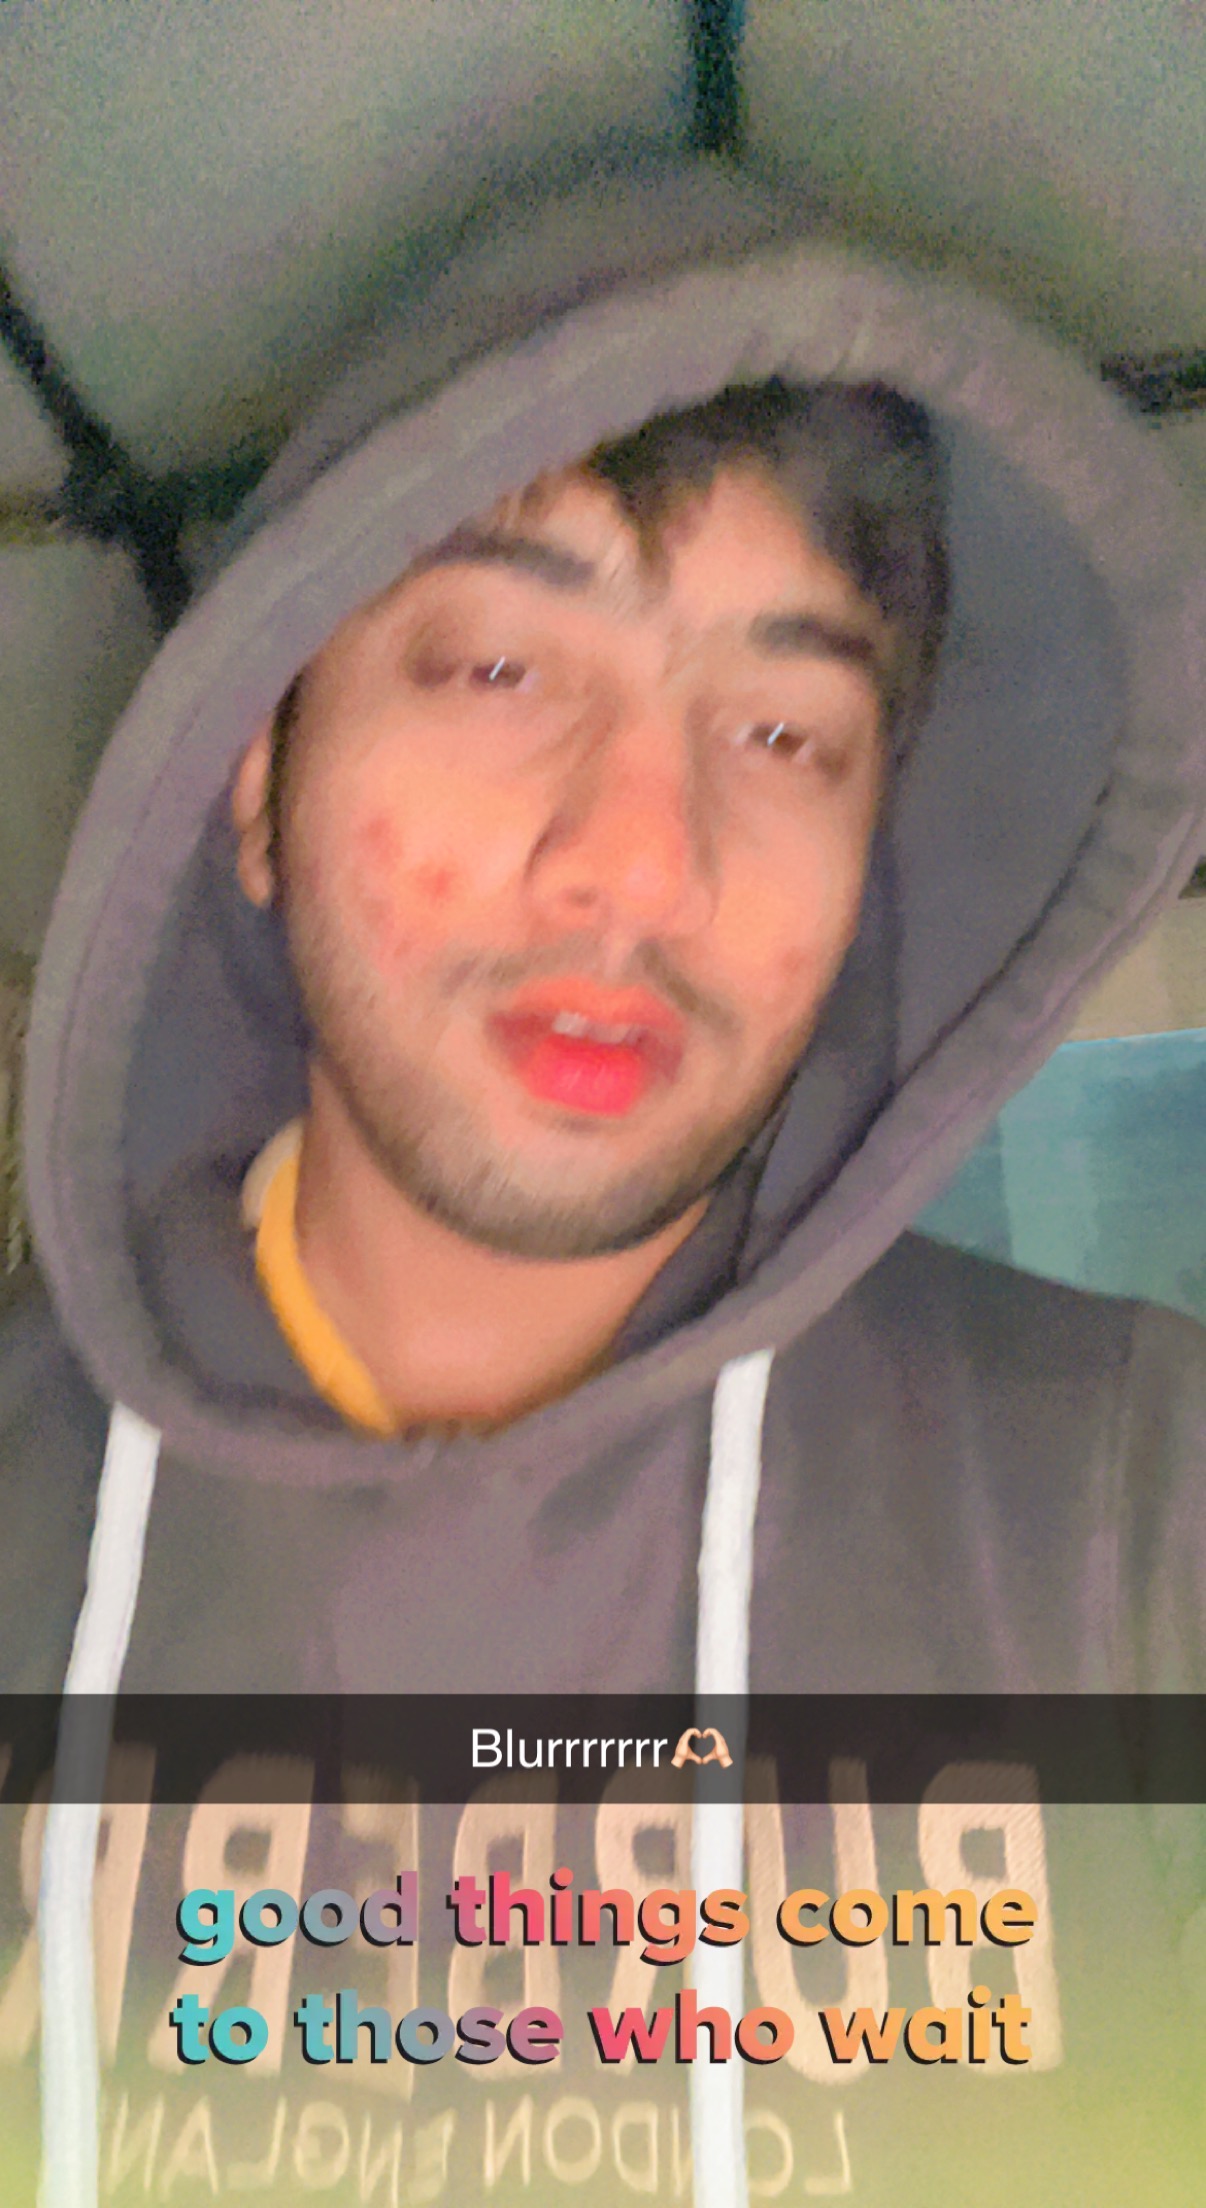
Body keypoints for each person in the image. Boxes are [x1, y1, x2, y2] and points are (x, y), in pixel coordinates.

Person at [2, 178, 1204, 2206]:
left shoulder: (1135, 1516)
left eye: (782, 729)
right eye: (497, 669)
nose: (641, 861)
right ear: (255, 784)